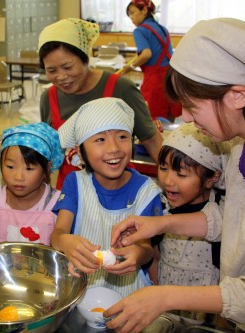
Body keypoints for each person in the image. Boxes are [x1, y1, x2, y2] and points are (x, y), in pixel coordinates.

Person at [105, 18, 245, 333]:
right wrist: (162, 223)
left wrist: (164, 296)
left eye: (191, 105)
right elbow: (235, 217)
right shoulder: (242, 141)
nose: (184, 117)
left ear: (237, 95)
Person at [51, 97, 163, 296]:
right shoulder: (75, 183)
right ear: (80, 152)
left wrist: (138, 254)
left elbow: (147, 249)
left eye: (122, 136)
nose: (114, 148)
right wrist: (65, 242)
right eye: (100, 139)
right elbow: (58, 234)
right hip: (81, 291)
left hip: (131, 294)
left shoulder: (147, 191)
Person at [37, 18, 163, 190]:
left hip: (120, 192)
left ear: (85, 58)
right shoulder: (48, 98)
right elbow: (48, 154)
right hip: (71, 195)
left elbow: (152, 139)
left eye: (68, 67)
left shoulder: (120, 88)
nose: (61, 77)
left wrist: (171, 179)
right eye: (51, 70)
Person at [151, 122, 225, 323]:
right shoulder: (162, 205)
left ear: (212, 178)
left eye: (181, 174)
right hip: (164, 303)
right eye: (163, 168)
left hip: (204, 310)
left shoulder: (219, 212)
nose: (168, 181)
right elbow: (155, 256)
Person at [0, 122, 64, 246]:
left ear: (47, 169)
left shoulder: (57, 203)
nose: (18, 177)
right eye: (10, 167)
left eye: (29, 169)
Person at [120, 0, 181, 121]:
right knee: (169, 115)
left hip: (155, 80)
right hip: (171, 77)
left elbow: (146, 54)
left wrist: (130, 66)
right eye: (129, 15)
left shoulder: (140, 30)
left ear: (144, 10)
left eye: (132, 13)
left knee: (154, 119)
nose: (131, 18)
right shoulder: (163, 29)